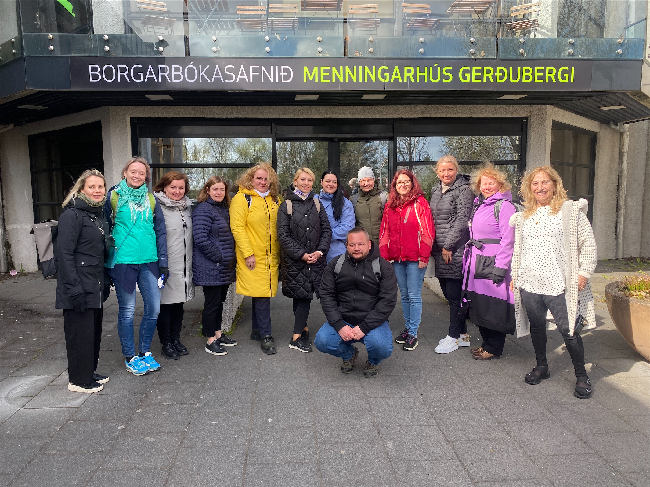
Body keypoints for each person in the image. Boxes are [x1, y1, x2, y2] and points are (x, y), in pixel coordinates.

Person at [510, 166, 597, 399]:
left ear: (555, 185)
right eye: (535, 183)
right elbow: (519, 250)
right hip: (530, 282)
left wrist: (584, 273)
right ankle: (542, 366)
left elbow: (588, 244)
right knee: (537, 327)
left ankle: (582, 376)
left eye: (545, 182)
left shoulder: (570, 211)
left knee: (569, 330)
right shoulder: (525, 216)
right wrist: (515, 276)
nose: (540, 187)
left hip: (559, 283)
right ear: (529, 188)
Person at [105, 157, 168, 376]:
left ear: (146, 177)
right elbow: (104, 227)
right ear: (125, 173)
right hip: (124, 261)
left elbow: (160, 231)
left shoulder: (151, 199)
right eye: (133, 171)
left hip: (149, 261)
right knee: (128, 310)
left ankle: (144, 352)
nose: (137, 176)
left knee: (154, 309)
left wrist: (163, 263)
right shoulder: (113, 196)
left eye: (142, 173)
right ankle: (130, 356)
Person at [314, 228, 397, 378]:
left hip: (372, 321)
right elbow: (326, 295)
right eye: (352, 245)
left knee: (382, 347)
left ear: (369, 244)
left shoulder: (383, 267)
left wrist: (365, 327)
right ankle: (349, 355)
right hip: (343, 318)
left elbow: (388, 300)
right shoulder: (335, 264)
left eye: (361, 244)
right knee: (322, 341)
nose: (356, 248)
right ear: (346, 245)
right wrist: (339, 325)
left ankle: (373, 361)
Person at [56, 169, 110, 393]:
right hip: (78, 285)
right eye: (92, 186)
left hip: (94, 284)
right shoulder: (72, 215)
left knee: (92, 333)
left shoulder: (95, 214)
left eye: (100, 186)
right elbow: (64, 255)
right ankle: (78, 380)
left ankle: (88, 371)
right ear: (81, 189)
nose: (97, 190)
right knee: (79, 335)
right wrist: (74, 288)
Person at [462, 163, 517, 360]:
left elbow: (509, 239)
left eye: (491, 183)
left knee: (494, 306)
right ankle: (486, 344)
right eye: (483, 183)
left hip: (493, 261)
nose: (486, 186)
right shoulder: (481, 204)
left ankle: (494, 347)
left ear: (500, 184)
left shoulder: (504, 206)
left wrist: (501, 267)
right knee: (481, 304)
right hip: (478, 260)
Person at [277, 168, 332, 352]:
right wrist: (301, 254)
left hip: (315, 260)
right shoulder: (286, 205)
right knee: (302, 297)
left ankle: (303, 328)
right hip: (296, 261)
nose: (306, 183)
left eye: (309, 180)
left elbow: (326, 230)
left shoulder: (316, 203)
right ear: (295, 181)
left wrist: (320, 251)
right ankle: (296, 338)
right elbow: (283, 235)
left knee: (303, 295)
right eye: (303, 179)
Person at [379, 170, 434, 351]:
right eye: (399, 182)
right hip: (397, 258)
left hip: (415, 258)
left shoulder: (420, 203)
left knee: (414, 295)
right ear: (394, 186)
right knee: (404, 294)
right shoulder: (390, 205)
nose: (402, 185)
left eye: (406, 181)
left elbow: (427, 231)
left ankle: (413, 333)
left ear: (412, 183)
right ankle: (408, 328)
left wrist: (424, 255)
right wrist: (384, 255)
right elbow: (384, 231)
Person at [230, 162, 282, 355]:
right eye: (259, 178)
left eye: (266, 179)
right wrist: (248, 253)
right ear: (250, 179)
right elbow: (237, 227)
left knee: (260, 292)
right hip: (253, 256)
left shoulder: (275, 199)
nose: (263, 182)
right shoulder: (242, 199)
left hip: (271, 256)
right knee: (262, 295)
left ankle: (256, 330)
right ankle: (266, 336)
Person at [430, 155, 475, 354]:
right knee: (449, 295)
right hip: (439, 250)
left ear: (456, 170)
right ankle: (463, 334)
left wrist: (448, 246)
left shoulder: (464, 190)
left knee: (455, 296)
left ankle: (453, 337)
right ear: (437, 172)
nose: (446, 173)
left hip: (454, 251)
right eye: (442, 170)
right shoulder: (435, 190)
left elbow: (462, 220)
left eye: (450, 169)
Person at [193, 176, 237, 356]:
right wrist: (219, 257)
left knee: (220, 302)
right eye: (215, 189)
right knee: (212, 304)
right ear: (207, 190)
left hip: (224, 267)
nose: (219, 193)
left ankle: (218, 334)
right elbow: (201, 239)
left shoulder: (223, 208)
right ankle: (210, 340)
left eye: (222, 189)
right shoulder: (203, 209)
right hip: (211, 266)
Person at [153, 171, 194, 360]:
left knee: (178, 304)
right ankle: (166, 343)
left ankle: (176, 339)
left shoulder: (187, 207)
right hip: (166, 264)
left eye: (181, 187)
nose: (177, 191)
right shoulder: (157, 206)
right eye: (173, 187)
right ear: (164, 187)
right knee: (165, 305)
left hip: (184, 265)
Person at [319, 170, 355, 263]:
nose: (331, 184)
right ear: (321, 182)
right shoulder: (314, 200)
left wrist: (325, 236)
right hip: (315, 251)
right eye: (327, 181)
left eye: (334, 182)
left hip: (337, 252)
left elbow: (348, 228)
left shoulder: (345, 203)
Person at [351, 166, 387, 248]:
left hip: (381, 245)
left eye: (369, 180)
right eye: (363, 181)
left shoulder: (384, 197)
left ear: (374, 180)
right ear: (359, 182)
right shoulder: (353, 200)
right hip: (361, 245)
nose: (366, 184)